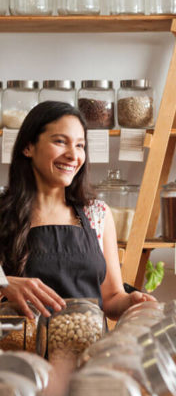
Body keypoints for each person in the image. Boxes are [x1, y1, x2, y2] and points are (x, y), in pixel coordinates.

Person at [0, 101, 155, 321]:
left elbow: (111, 298)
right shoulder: (3, 210)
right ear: (28, 147)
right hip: (19, 352)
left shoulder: (97, 214)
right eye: (60, 142)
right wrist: (4, 283)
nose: (74, 155)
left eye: (80, 145)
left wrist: (132, 302)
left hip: (87, 352)